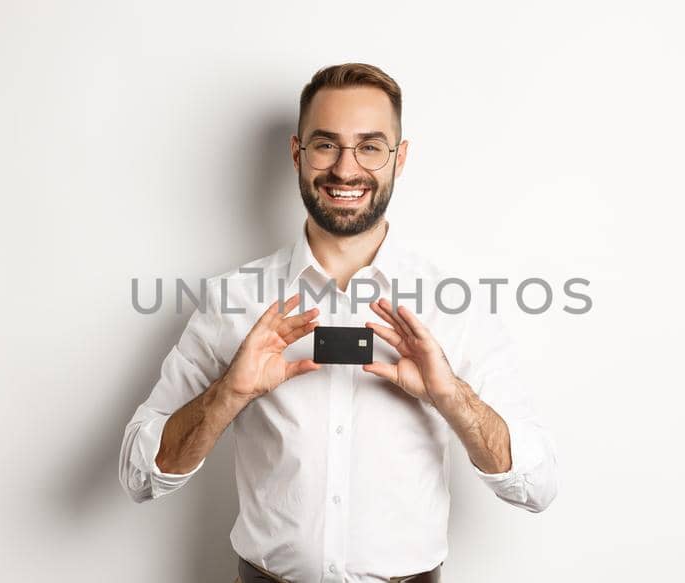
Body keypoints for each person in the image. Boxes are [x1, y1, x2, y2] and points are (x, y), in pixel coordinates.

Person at [118, 63, 558, 583]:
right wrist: (228, 394)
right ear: (297, 153)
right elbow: (140, 477)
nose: (346, 170)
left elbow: (537, 486)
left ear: (401, 158)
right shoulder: (233, 299)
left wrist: (451, 397)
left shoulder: (452, 304)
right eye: (326, 144)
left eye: (370, 147)